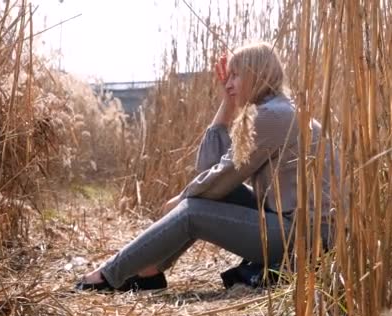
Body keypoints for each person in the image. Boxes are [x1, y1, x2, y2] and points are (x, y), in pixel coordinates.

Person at [76, 41, 336, 291]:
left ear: (257, 75)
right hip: (289, 225)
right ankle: (149, 271)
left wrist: (182, 198)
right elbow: (209, 166)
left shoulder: (272, 116)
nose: (229, 82)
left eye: (236, 76)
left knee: (191, 212)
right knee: (208, 196)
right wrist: (228, 101)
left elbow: (221, 175)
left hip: (304, 238)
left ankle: (110, 274)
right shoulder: (273, 110)